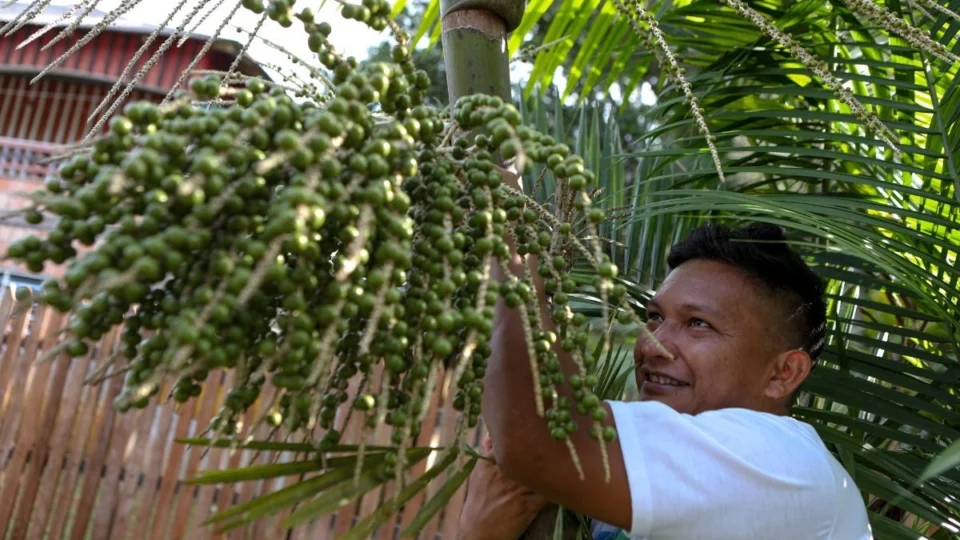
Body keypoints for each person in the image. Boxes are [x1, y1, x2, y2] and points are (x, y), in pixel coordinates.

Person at [458, 172, 873, 540]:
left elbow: (538, 439)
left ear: (783, 373)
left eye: (698, 324)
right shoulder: (639, 485)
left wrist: (507, 228)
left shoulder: (784, 463)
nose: (650, 343)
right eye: (654, 317)